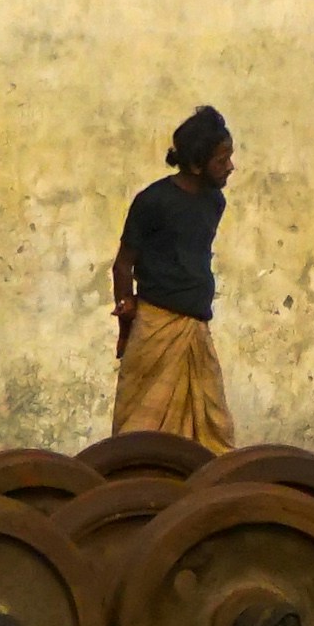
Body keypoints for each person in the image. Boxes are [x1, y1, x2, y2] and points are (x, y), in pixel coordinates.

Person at [110, 106, 238, 453]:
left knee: (213, 427)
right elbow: (123, 266)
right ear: (197, 164)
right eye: (221, 159)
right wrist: (126, 326)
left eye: (230, 158)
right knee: (141, 430)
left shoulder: (215, 202)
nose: (230, 167)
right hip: (155, 329)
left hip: (195, 330)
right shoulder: (152, 202)